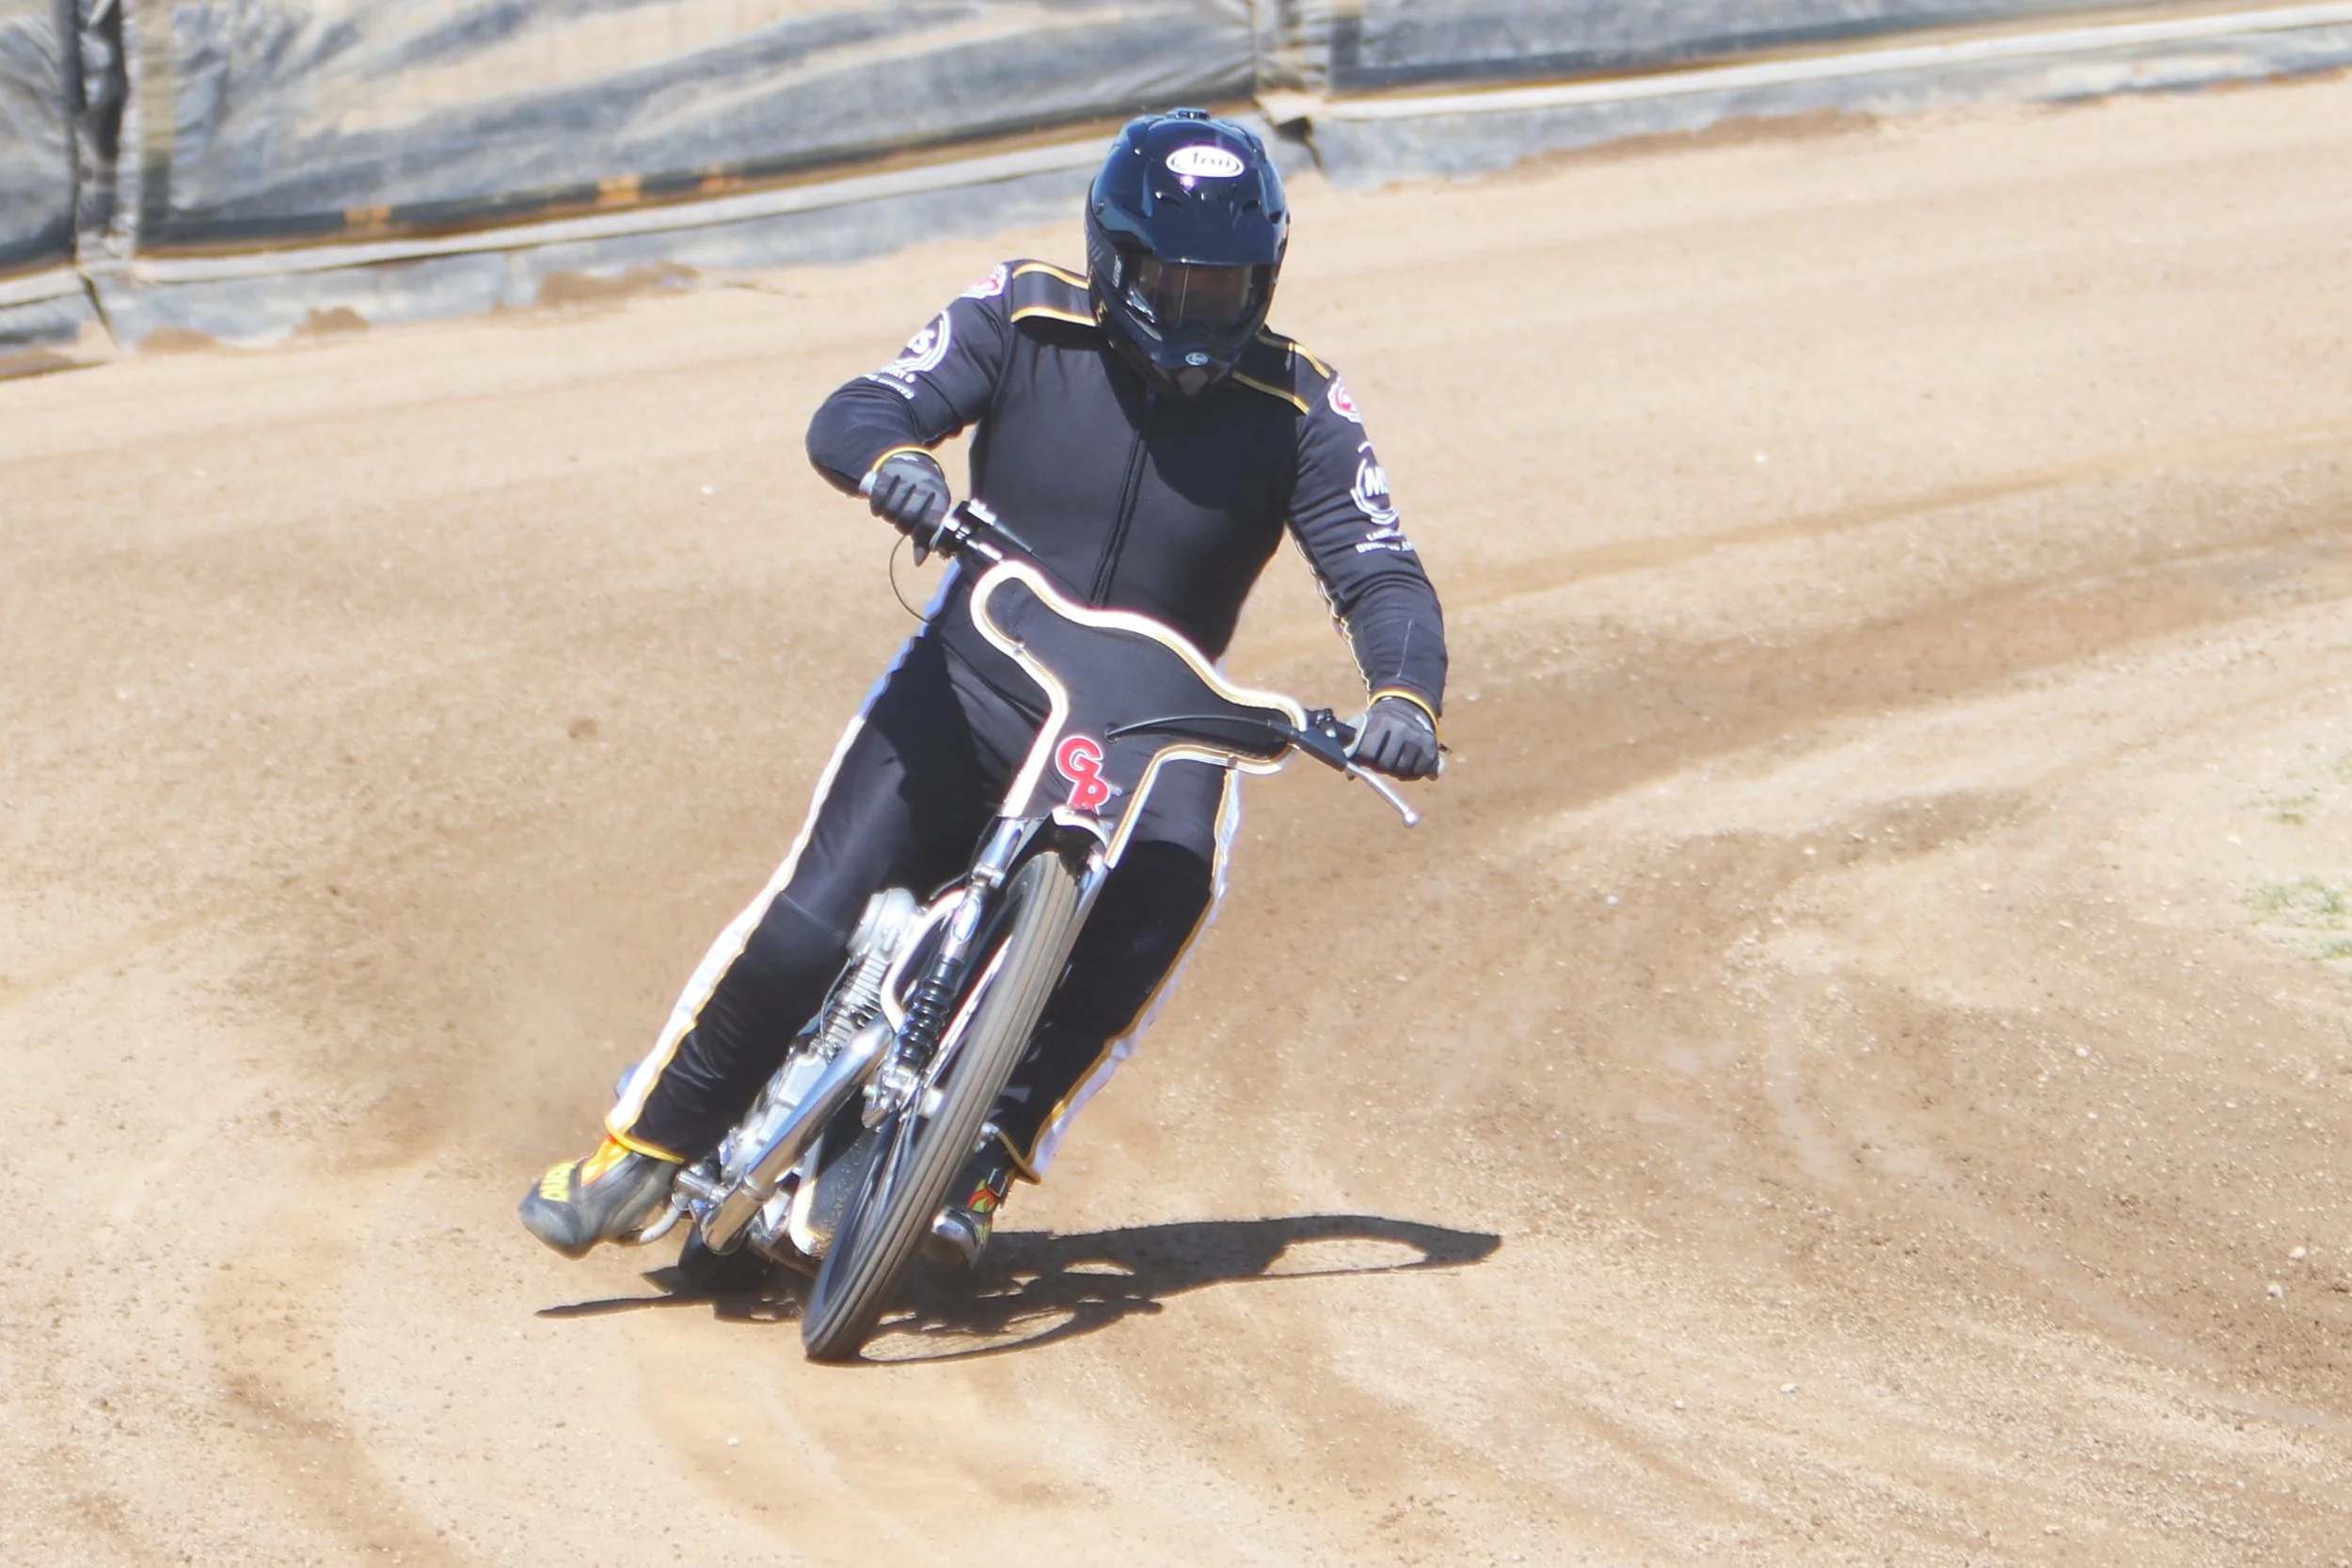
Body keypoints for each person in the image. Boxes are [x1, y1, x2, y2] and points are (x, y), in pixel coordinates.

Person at [519, 108, 1448, 1266]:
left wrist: (1403, 694)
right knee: (810, 920)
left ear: (1269, 273)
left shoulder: (1303, 406)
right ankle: (643, 1148)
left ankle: (981, 1160)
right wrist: (898, 461)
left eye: (1228, 284)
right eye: (1169, 275)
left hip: (1158, 728)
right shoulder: (1020, 311)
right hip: (974, 679)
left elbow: (1379, 570)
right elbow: (860, 409)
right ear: (1112, 256)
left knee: (1169, 884)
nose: (1197, 305)